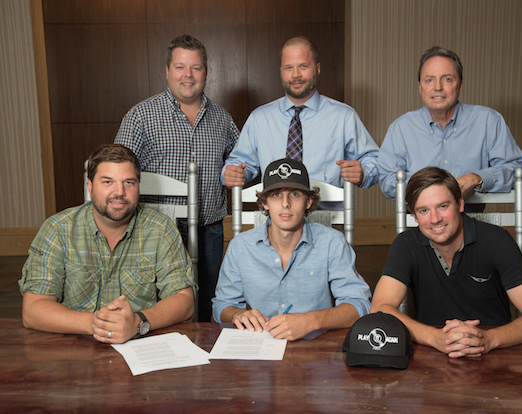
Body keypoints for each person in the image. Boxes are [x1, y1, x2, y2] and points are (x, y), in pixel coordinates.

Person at [115, 34, 239, 322]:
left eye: (195, 68)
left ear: (205, 73)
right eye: (180, 67)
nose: (188, 75)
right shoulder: (141, 115)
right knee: (159, 306)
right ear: (167, 71)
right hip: (156, 231)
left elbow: (241, 163)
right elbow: (118, 168)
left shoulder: (222, 118)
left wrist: (236, 171)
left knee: (207, 304)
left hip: (210, 229)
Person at [19, 144, 197, 344]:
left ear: (139, 185)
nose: (119, 192)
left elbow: (184, 300)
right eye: (108, 181)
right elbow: (33, 309)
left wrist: (138, 322)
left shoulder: (160, 228)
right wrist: (98, 324)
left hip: (142, 345)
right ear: (90, 185)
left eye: (129, 182)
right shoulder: (58, 229)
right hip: (74, 347)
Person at [370, 166, 522, 358]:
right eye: (424, 210)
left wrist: (489, 339)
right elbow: (379, 308)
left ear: (460, 204)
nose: (435, 219)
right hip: (432, 354)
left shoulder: (497, 240)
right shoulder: (406, 244)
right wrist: (435, 338)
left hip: (496, 351)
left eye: (443, 206)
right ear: (414, 216)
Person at [213, 158, 371, 340]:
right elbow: (222, 304)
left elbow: (359, 304)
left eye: (295, 194)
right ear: (265, 203)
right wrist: (236, 314)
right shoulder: (240, 247)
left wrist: (311, 321)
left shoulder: (332, 243)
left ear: (308, 202)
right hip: (261, 348)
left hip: (317, 349)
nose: (285, 203)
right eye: (276, 195)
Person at [222, 36, 380, 190]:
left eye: (303, 66)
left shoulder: (344, 116)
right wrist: (232, 174)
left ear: (317, 69)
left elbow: (374, 160)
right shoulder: (259, 118)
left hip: (329, 215)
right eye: (288, 67)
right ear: (281, 71)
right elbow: (240, 163)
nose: (296, 74)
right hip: (276, 214)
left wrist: (363, 173)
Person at [378, 46, 522, 200]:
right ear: (420, 88)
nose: (438, 87)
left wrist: (476, 178)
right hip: (420, 221)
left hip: (473, 220)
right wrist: (432, 188)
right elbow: (387, 179)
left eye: (447, 79)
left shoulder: (489, 120)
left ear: (460, 85)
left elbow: (514, 169)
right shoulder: (401, 128)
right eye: (429, 80)